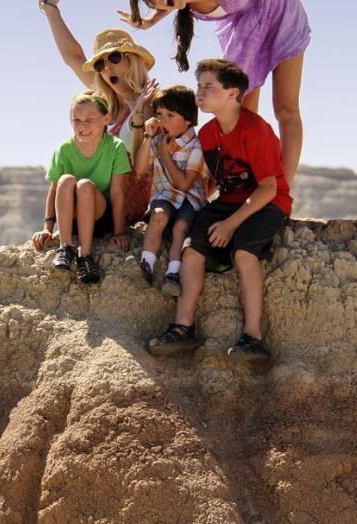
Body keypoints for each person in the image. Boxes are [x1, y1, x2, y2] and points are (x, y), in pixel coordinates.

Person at [147, 59, 291, 361]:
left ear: (232, 93)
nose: (200, 92)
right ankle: (182, 327)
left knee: (244, 252)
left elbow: (269, 188)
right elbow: (213, 181)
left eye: (209, 87)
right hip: (229, 201)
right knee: (192, 250)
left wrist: (230, 225)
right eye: (199, 86)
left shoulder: (256, 131)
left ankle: (253, 337)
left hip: (267, 202)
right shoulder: (210, 134)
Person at [122, 0, 309, 183]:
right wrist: (152, 19)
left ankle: (282, 192)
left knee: (286, 109)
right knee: (240, 114)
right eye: (158, 4)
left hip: (282, 16)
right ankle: (244, 187)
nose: (164, 3)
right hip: (244, 31)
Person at [39, 0, 159, 225]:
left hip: (126, 202)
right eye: (100, 64)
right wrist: (50, 9)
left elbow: (141, 166)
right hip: (96, 197)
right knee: (67, 177)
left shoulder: (153, 103)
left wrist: (140, 112)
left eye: (114, 57)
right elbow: (73, 58)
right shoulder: (107, 106)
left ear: (131, 59)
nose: (107, 67)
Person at [31, 92, 132, 284]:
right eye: (76, 120)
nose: (82, 125)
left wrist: (119, 232)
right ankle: (65, 248)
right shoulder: (64, 149)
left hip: (100, 218)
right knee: (65, 180)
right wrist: (47, 228)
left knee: (84, 185)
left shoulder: (115, 147)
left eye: (89, 119)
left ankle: (85, 256)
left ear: (106, 119)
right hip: (71, 219)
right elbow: (54, 191)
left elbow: (117, 193)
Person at [134, 84, 207, 295]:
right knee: (158, 216)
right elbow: (139, 170)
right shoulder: (157, 140)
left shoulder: (196, 146)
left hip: (190, 199)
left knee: (180, 227)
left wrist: (165, 156)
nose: (162, 120)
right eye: (159, 114)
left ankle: (172, 273)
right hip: (163, 196)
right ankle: (146, 264)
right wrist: (148, 137)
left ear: (188, 119)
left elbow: (185, 184)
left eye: (170, 115)